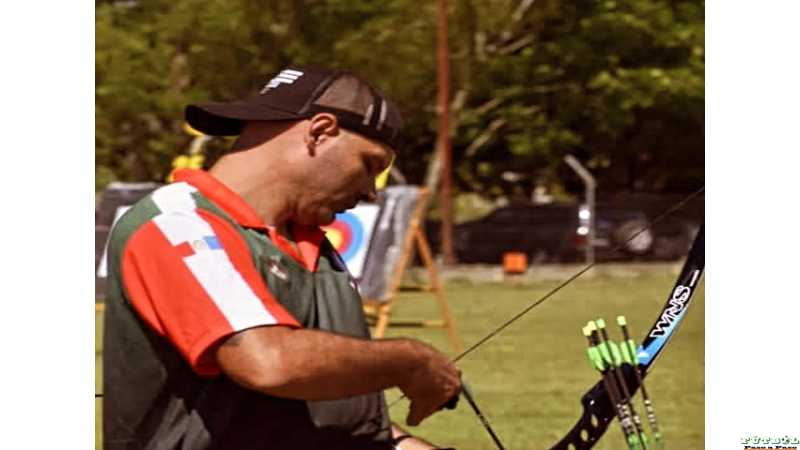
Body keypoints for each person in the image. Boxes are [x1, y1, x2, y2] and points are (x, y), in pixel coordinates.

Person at [102, 65, 462, 450]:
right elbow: (267, 362)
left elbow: (332, 422)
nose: (372, 192)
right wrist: (408, 360)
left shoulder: (316, 250)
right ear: (320, 132)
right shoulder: (178, 224)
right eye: (369, 164)